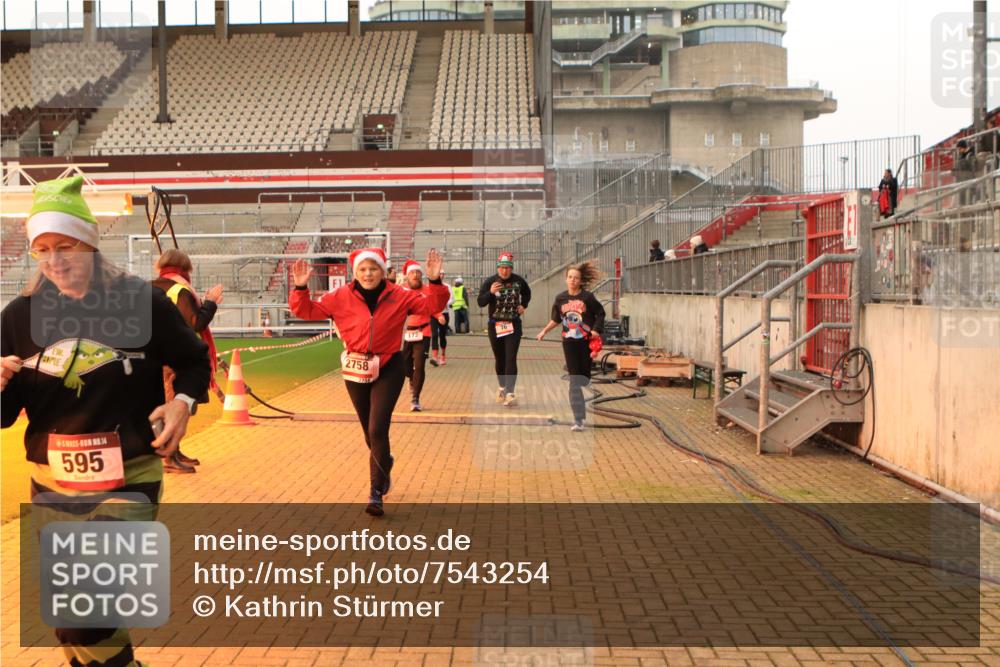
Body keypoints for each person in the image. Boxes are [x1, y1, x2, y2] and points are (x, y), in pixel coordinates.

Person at [1, 176, 210, 667]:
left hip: (128, 477)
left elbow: (195, 360)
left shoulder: (142, 301)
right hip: (51, 484)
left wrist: (182, 401)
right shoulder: (18, 316)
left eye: (66, 245)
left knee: (85, 616)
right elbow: (6, 417)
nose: (55, 261)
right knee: (68, 623)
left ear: (91, 243)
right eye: (42, 249)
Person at [289, 248, 448, 516]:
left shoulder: (399, 295)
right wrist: (300, 287)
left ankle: (376, 492)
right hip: (355, 367)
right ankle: (384, 463)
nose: (368, 274)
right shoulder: (340, 297)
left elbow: (432, 306)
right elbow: (306, 311)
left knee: (377, 429)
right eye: (362, 269)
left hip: (389, 366)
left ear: (383, 271)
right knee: (368, 431)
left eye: (373, 269)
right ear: (355, 272)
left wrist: (434, 282)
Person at [152, 248, 224, 474]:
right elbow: (194, 323)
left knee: (165, 405)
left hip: (153, 356)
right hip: (172, 358)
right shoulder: (180, 290)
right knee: (173, 406)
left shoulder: (151, 286)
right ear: (185, 269)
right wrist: (210, 303)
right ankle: (168, 457)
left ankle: (174, 451)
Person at [535, 261, 606, 431]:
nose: (573, 280)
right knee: (574, 380)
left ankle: (584, 380)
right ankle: (579, 420)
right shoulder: (560, 298)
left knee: (584, 378)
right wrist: (544, 331)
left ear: (581, 281)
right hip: (569, 343)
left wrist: (597, 329)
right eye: (570, 277)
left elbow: (600, 313)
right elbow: (556, 319)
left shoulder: (587, 297)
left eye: (576, 278)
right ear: (566, 279)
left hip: (586, 343)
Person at [477, 252, 531, 407]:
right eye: (501, 268)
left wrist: (523, 305)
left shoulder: (519, 281)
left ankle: (510, 393)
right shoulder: (490, 282)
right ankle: (502, 387)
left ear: (511, 268)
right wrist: (490, 293)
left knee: (510, 358)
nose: (504, 271)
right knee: (500, 358)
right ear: (498, 268)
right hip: (495, 325)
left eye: (507, 268)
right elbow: (480, 302)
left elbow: (527, 293)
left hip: (513, 324)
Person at [400, 259, 432, 411]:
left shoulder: (427, 290)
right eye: (412, 273)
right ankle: (412, 379)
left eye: (418, 272)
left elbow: (435, 305)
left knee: (419, 365)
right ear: (407, 276)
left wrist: (439, 315)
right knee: (403, 365)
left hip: (423, 331)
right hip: (407, 333)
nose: (415, 275)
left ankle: (415, 399)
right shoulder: (402, 291)